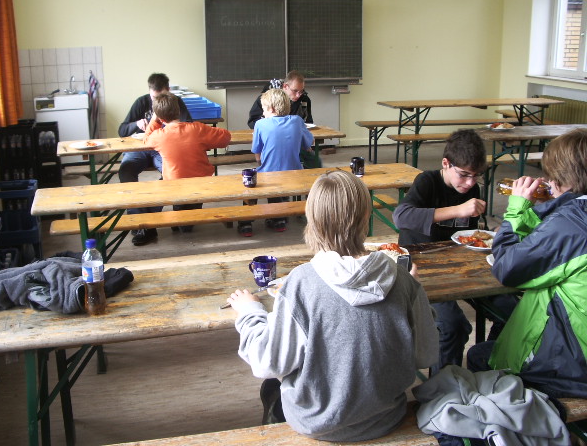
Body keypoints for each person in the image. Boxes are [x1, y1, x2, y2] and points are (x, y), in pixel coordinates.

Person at [226, 170, 439, 442]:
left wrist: (249, 313)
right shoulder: (401, 278)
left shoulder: (301, 284)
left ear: (312, 220)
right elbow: (426, 354)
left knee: (271, 384)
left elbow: (267, 363)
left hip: (317, 423)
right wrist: (414, 289)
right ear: (366, 217)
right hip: (386, 417)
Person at [467, 128, 587, 399]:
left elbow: (507, 268)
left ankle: (498, 417)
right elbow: (549, 236)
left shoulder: (571, 224)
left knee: (479, 356)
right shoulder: (573, 216)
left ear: (562, 179)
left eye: (551, 176)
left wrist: (516, 209)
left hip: (573, 365)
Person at [392, 129, 517, 374]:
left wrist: (493, 232)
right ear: (445, 164)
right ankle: (444, 387)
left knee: (513, 311)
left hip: (461, 263)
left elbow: (468, 234)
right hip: (422, 264)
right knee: (454, 325)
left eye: (476, 176)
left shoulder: (471, 188)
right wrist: (458, 210)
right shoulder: (427, 182)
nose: (470, 183)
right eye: (464, 175)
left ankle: (487, 368)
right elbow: (401, 217)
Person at [118, 73, 193, 246]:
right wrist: (136, 124)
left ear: (168, 91)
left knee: (172, 173)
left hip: (163, 148)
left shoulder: (175, 102)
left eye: (160, 97)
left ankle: (149, 221)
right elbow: (122, 130)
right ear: (149, 92)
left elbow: (188, 126)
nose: (156, 102)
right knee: (126, 171)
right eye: (154, 98)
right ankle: (139, 221)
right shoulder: (141, 102)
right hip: (141, 148)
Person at [143, 93, 231, 227]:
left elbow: (146, 140)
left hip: (174, 182)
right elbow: (225, 138)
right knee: (190, 212)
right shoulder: (198, 128)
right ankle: (187, 219)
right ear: (179, 111)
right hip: (202, 181)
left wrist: (155, 121)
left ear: (160, 118)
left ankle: (182, 219)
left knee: (180, 209)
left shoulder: (159, 136)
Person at [237, 88, 314, 237]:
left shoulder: (260, 124)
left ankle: (245, 222)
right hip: (295, 174)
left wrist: (261, 162)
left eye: (264, 109)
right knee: (278, 178)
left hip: (271, 175)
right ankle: (279, 220)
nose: (263, 112)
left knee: (252, 181)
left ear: (271, 109)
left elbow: (257, 152)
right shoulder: (297, 121)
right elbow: (308, 144)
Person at [247, 70, 319, 170]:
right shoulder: (267, 100)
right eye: (295, 91)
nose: (298, 95)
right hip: (281, 143)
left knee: (314, 160)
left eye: (301, 91)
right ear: (285, 86)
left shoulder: (304, 100)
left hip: (297, 142)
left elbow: (309, 121)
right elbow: (252, 120)